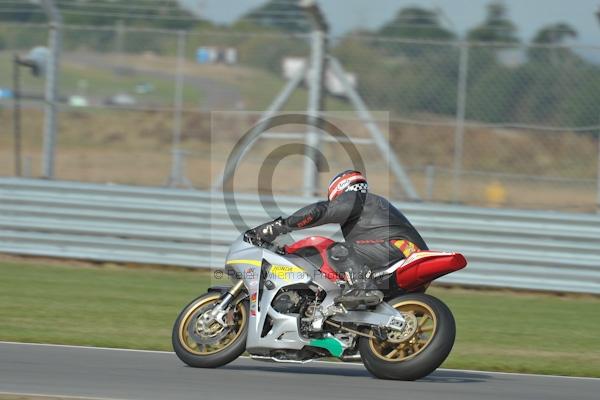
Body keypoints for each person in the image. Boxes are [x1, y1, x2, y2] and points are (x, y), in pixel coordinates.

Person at [252, 170, 428, 306]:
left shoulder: (356, 197)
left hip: (401, 249)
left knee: (336, 250)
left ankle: (361, 289)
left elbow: (319, 212)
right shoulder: (372, 206)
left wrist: (278, 227)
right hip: (399, 257)